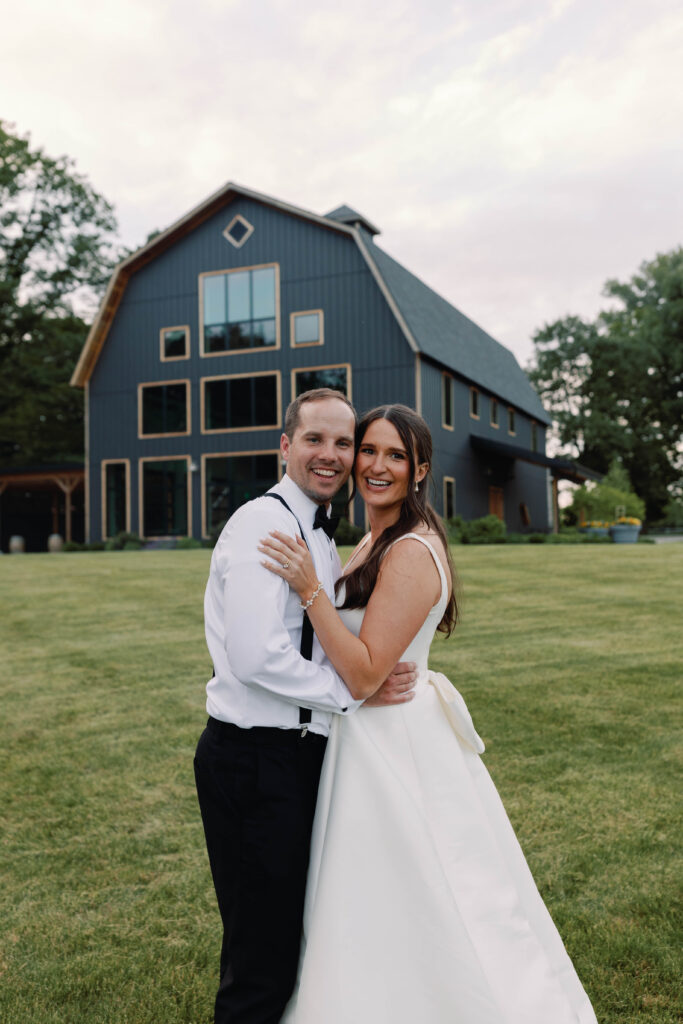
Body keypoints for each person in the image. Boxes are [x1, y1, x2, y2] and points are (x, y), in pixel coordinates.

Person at [259, 404, 598, 1024]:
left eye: (396, 455)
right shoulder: (373, 538)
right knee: (372, 901)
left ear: (419, 471)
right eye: (369, 451)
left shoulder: (412, 549)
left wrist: (311, 590)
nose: (377, 466)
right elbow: (363, 664)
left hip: (395, 747)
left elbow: (363, 671)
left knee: (427, 896)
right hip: (366, 739)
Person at [194, 389, 417, 1024]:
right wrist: (354, 693)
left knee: (281, 939)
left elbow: (313, 646)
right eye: (315, 440)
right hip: (254, 761)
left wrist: (354, 685)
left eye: (343, 443)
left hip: (290, 759)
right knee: (260, 959)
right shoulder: (265, 524)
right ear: (286, 445)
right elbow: (256, 657)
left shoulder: (315, 532)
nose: (332, 455)